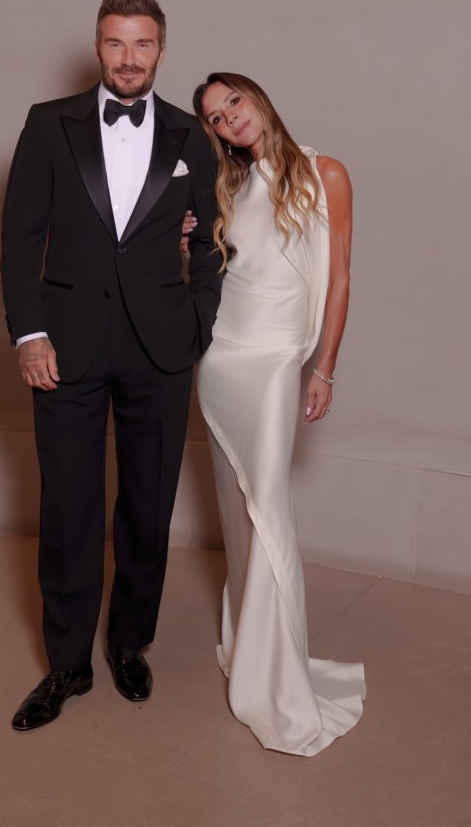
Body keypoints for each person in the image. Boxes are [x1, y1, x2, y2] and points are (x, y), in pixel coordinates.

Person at [0, 0, 222, 731]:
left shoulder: (193, 136)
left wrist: (197, 323)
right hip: (65, 346)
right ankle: (67, 664)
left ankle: (130, 641)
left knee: (148, 506)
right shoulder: (47, 124)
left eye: (143, 45)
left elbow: (210, 244)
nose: (129, 59)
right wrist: (30, 336)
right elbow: (20, 238)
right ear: (98, 47)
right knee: (68, 508)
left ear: (162, 49)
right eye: (115, 44)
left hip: (160, 348)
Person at [191, 71, 366, 756]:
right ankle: (253, 648)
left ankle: (281, 677)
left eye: (233, 101)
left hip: (272, 364)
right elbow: (223, 271)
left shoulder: (328, 172)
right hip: (221, 359)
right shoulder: (228, 188)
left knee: (268, 507)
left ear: (257, 97)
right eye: (213, 116)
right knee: (238, 510)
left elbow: (342, 274)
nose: (228, 119)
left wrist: (323, 365)